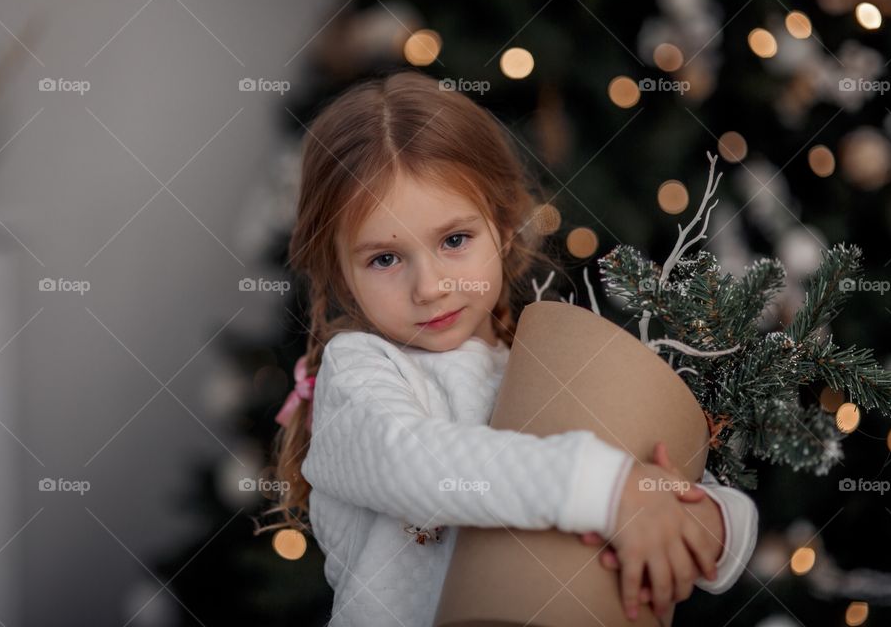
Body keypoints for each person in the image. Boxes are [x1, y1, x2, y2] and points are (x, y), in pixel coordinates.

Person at [258, 69, 758, 626]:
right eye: (384, 259)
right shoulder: (361, 374)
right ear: (342, 271)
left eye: (454, 240)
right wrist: (610, 487)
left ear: (500, 225)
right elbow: (416, 462)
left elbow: (707, 498)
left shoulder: (542, 362)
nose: (429, 287)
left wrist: (694, 516)